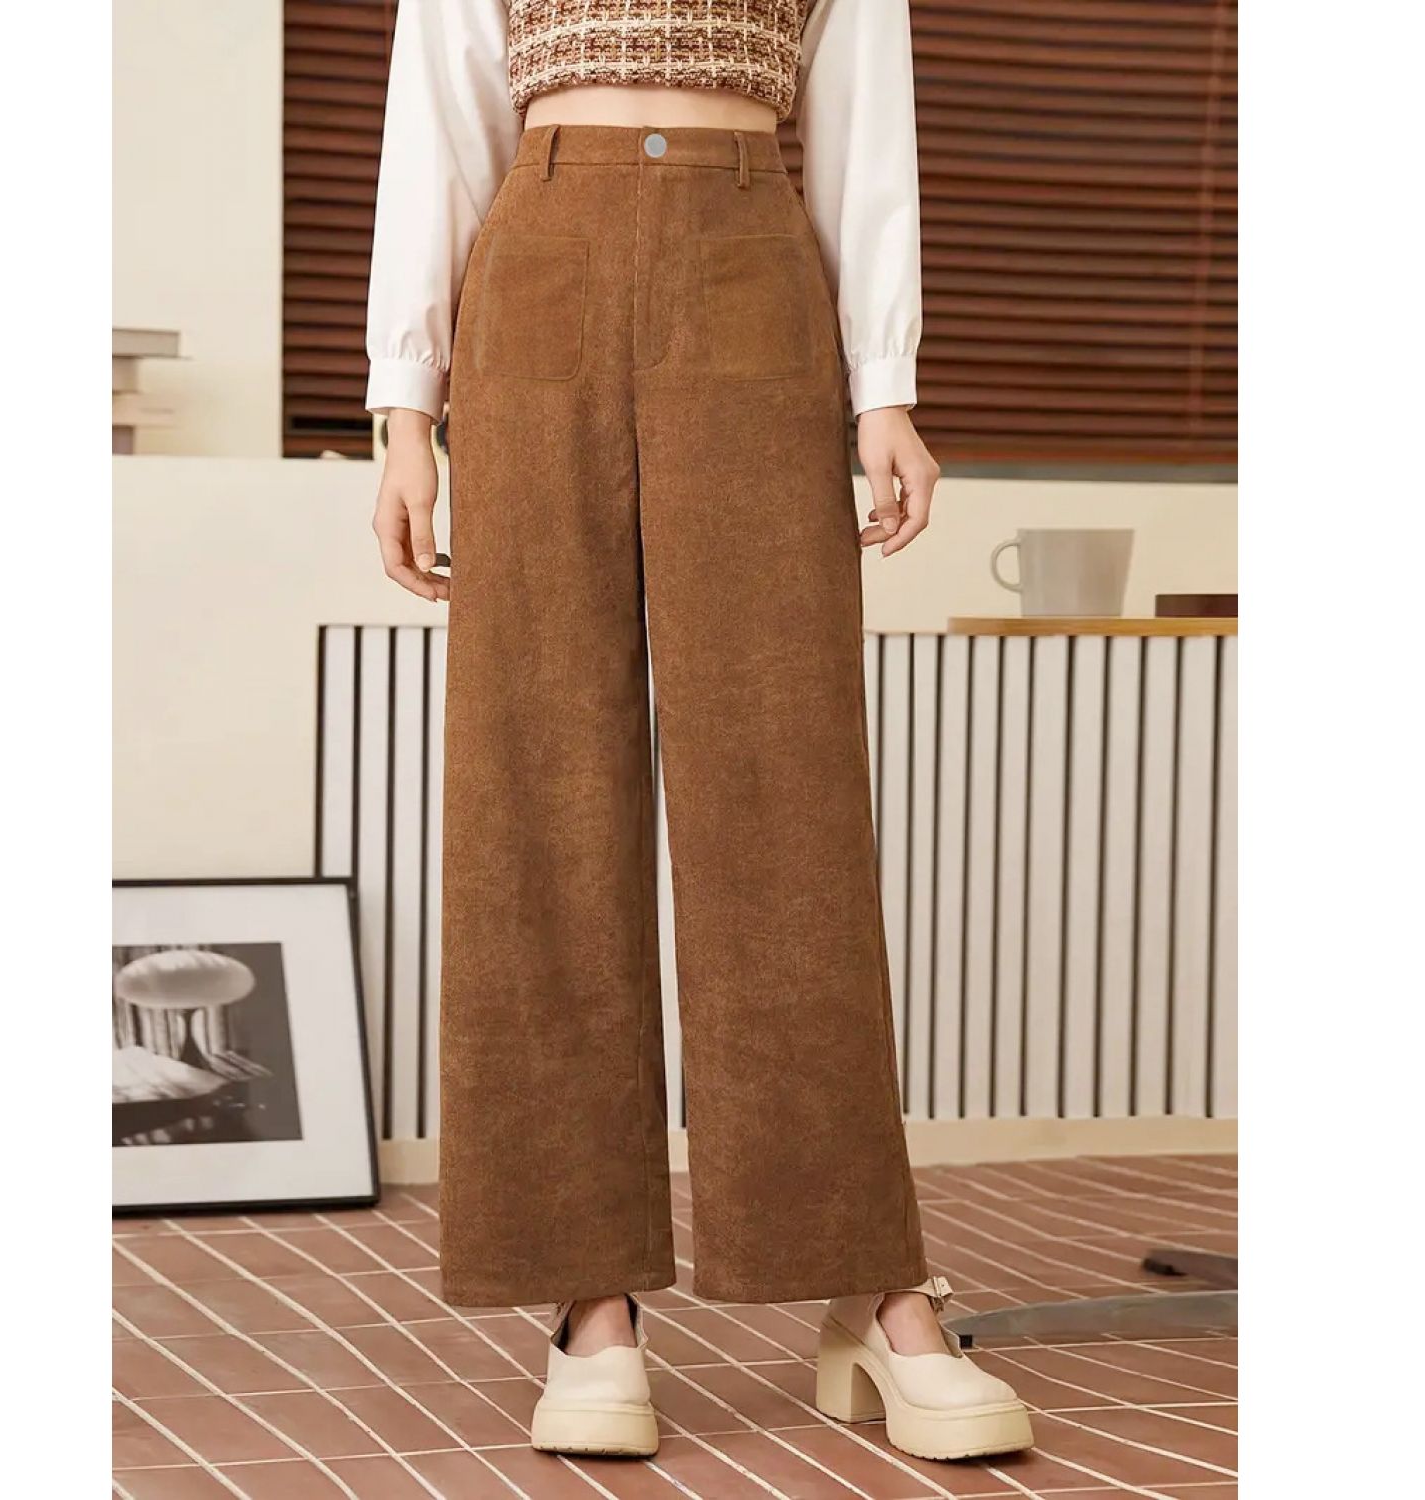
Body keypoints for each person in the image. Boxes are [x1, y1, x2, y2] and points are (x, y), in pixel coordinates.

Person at [366, 0, 1033, 1463]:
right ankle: (589, 1303)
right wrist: (405, 406)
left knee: (786, 783)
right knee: (536, 780)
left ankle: (873, 1290)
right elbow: (441, 119)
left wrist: (887, 385)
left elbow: (866, 129)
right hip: (536, 268)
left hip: (749, 263)